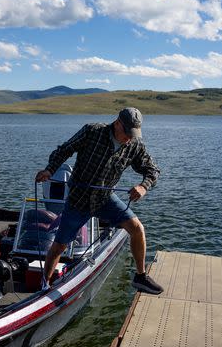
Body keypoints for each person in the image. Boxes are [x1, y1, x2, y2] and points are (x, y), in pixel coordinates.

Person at [34, 107, 163, 294]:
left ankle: (140, 277)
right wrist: (50, 170)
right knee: (60, 244)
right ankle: (44, 284)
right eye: (127, 132)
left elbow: (153, 170)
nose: (129, 137)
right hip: (79, 200)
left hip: (105, 199)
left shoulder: (135, 145)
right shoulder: (92, 132)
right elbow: (65, 150)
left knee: (137, 229)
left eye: (133, 134)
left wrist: (143, 186)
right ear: (117, 123)